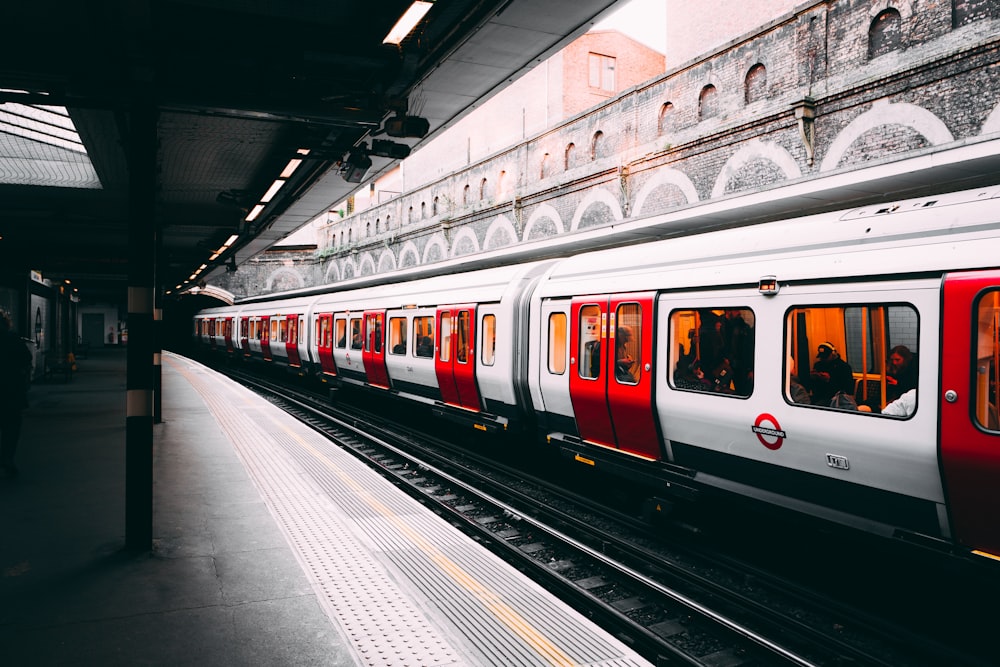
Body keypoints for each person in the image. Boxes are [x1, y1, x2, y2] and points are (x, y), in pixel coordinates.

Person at [0, 310, 32, 478]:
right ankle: (7, 457)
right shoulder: (13, 339)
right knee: (11, 427)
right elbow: (27, 359)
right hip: (11, 390)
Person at [809, 342, 854, 406]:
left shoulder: (843, 367)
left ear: (833, 354)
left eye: (825, 357)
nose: (823, 359)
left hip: (836, 398)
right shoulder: (818, 365)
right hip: (819, 395)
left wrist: (829, 380)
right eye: (821, 357)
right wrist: (813, 378)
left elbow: (847, 388)